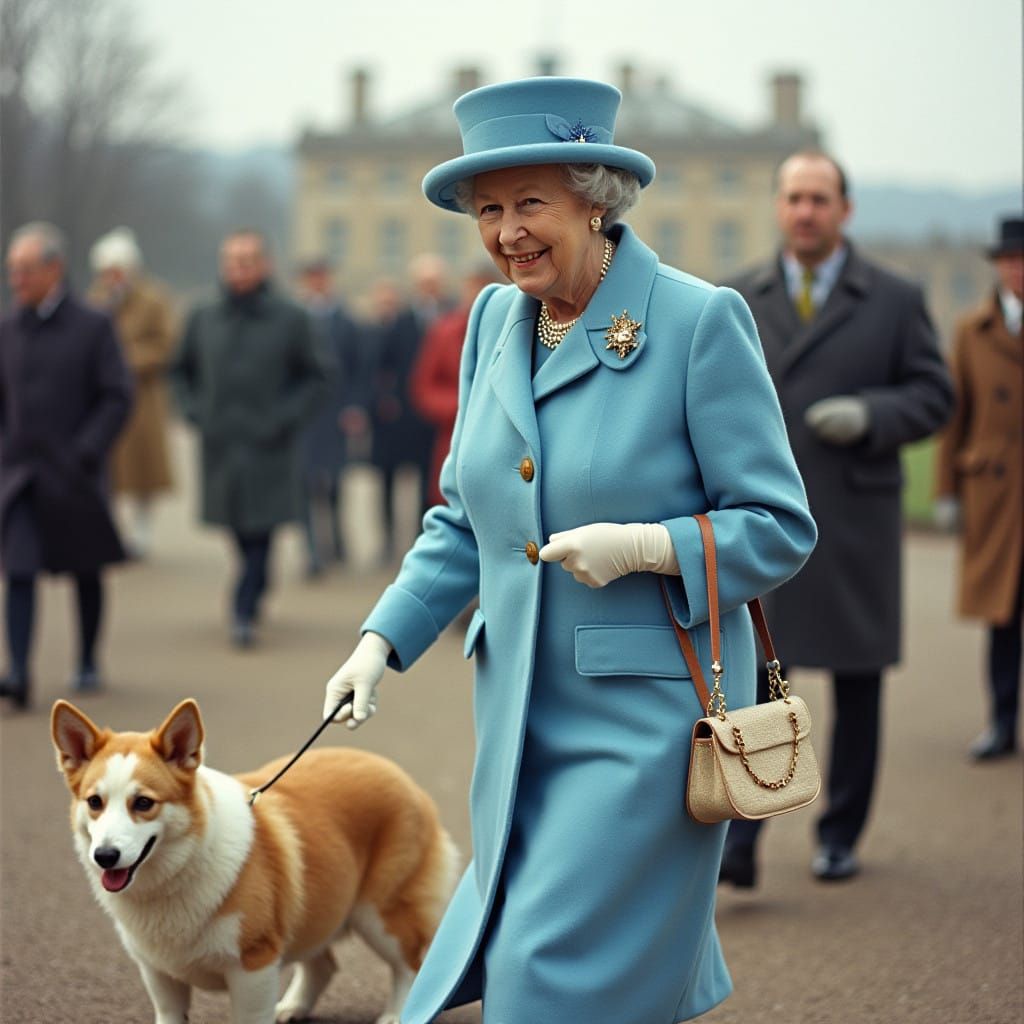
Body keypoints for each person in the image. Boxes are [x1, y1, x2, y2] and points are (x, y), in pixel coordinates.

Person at [317, 77, 817, 1024]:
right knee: (561, 970)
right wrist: (380, 641)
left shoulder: (697, 321)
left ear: (597, 199)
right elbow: (464, 518)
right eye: (490, 210)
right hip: (517, 727)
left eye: (531, 203)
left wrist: (644, 546)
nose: (508, 232)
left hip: (645, 731)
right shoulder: (491, 324)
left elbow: (779, 524)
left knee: (545, 981)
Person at [723, 151, 955, 886]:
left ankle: (840, 834)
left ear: (844, 210)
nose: (805, 211)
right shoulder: (736, 298)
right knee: (756, 680)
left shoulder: (893, 297)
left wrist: (873, 414)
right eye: (793, 197)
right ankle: (741, 844)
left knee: (857, 685)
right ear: (778, 206)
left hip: (854, 521)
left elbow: (935, 394)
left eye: (819, 198)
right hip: (763, 520)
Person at [169, 229, 326, 648]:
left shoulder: (290, 317)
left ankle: (242, 607)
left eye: (247, 260)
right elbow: (179, 371)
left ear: (264, 265)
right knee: (238, 529)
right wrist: (194, 412)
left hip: (270, 444)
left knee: (263, 527)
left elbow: (318, 376)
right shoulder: (202, 315)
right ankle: (254, 586)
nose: (238, 268)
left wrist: (286, 417)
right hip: (221, 444)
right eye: (232, 260)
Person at [0, 222, 133, 707]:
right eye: (12, 270)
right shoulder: (7, 328)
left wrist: (87, 449)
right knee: (18, 570)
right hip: (19, 475)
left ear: (55, 269)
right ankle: (17, 673)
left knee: (85, 569)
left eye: (26, 270)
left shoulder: (93, 325)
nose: (16, 280)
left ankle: (87, 659)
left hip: (74, 471)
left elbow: (118, 396)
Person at [935, 215, 1023, 761]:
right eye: (1012, 260)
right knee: (1002, 616)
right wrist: (946, 491)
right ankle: (1002, 721)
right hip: (996, 494)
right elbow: (956, 415)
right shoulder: (972, 330)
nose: (1019, 270)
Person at [88, 227, 176, 559]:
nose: (112, 278)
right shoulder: (97, 301)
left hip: (143, 398)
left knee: (142, 472)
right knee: (109, 472)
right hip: (104, 398)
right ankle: (111, 533)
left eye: (117, 271)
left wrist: (128, 360)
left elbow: (166, 344)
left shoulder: (154, 299)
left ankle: (141, 534)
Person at [295, 257, 367, 576]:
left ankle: (337, 542)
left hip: (336, 413)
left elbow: (358, 367)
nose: (317, 282)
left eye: (321, 276)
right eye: (312, 277)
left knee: (336, 482)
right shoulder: (295, 318)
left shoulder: (346, 320)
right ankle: (311, 552)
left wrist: (355, 407)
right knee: (307, 483)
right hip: (305, 416)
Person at [410, 261, 503, 506]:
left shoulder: (515, 326)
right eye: (474, 287)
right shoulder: (445, 331)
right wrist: (464, 407)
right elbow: (424, 388)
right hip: (455, 438)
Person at [366, 277, 436, 561]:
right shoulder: (399, 323)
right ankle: (387, 540)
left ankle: (422, 536)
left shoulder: (443, 318)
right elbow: (379, 366)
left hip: (424, 418)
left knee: (425, 480)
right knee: (386, 481)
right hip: (393, 417)